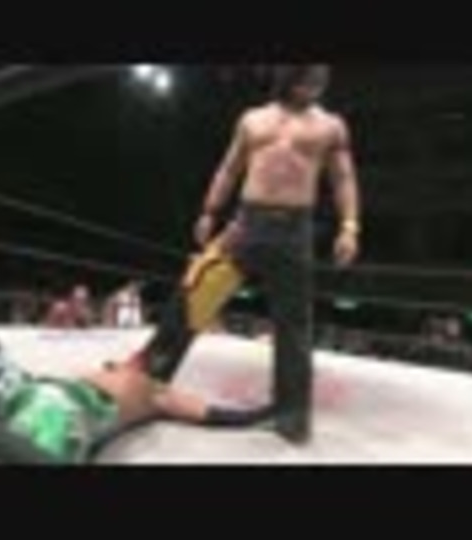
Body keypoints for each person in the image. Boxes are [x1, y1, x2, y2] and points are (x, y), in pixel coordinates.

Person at [127, 65, 363, 444]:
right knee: (195, 293)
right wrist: (209, 211)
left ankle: (292, 414)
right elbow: (229, 168)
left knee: (293, 323)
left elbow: (343, 177)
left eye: (321, 79)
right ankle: (152, 374)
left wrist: (350, 226)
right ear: (291, 75)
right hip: (246, 223)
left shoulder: (330, 125)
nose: (316, 85)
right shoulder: (253, 119)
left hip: (295, 230)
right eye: (309, 77)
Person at [0, 336, 273, 465]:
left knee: (51, 415)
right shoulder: (116, 364)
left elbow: (212, 414)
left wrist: (264, 414)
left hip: (76, 412)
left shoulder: (159, 390)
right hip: (29, 390)